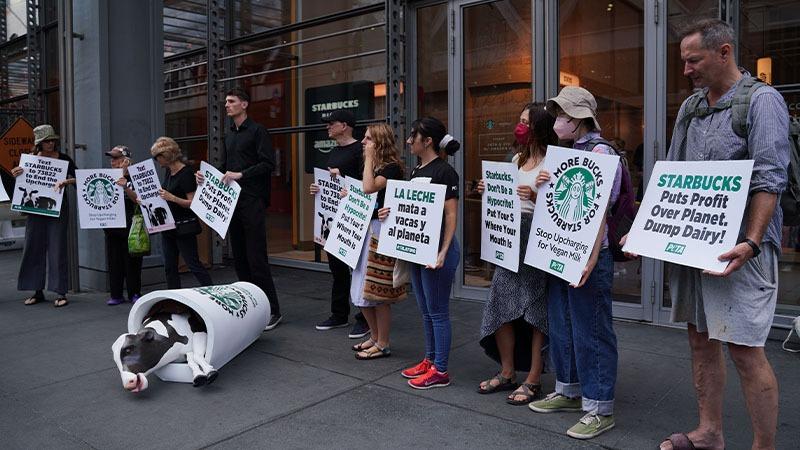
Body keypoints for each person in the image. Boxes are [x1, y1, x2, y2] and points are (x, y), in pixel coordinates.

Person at [624, 19, 788, 450]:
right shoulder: (692, 107)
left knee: (745, 350)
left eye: (693, 60)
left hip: (740, 252)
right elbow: (671, 178)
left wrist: (751, 243)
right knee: (700, 338)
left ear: (724, 52)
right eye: (683, 61)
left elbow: (770, 179)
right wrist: (643, 232)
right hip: (696, 246)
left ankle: (763, 446)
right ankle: (710, 433)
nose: (686, 70)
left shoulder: (762, 102)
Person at [527, 86, 622, 440]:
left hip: (587, 256)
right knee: (564, 322)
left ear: (579, 118)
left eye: (564, 115)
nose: (557, 121)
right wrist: (542, 186)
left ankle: (599, 407)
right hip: (566, 251)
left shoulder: (600, 152)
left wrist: (592, 255)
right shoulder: (567, 152)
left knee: (591, 328)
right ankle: (569, 389)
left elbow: (600, 209)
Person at [475, 103, 557, 405]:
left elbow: (559, 212)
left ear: (540, 126)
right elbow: (505, 201)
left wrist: (536, 196)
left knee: (535, 311)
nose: (520, 126)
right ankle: (507, 371)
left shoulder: (552, 161)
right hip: (509, 240)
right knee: (500, 305)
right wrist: (489, 190)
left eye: (526, 121)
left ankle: (534, 378)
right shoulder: (516, 159)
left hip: (534, 239)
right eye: (519, 120)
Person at [378, 116, 461, 389]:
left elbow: (451, 216)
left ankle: (441, 370)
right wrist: (389, 212)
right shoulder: (416, 171)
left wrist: (443, 252)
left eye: (414, 135)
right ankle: (430, 359)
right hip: (418, 249)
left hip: (437, 251)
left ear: (428, 141)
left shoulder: (444, 172)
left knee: (437, 312)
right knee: (426, 311)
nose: (409, 140)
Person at [196, 87, 282, 330]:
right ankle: (249, 307)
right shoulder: (229, 135)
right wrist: (207, 178)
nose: (226, 105)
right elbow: (224, 167)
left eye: (231, 101)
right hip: (232, 202)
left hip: (252, 199)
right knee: (240, 258)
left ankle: (273, 310)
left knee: (256, 257)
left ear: (244, 104)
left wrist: (241, 174)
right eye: (225, 102)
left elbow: (268, 164)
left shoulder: (258, 131)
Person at [309, 109, 369, 338]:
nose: (328, 127)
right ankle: (339, 314)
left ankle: (364, 318)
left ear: (344, 125)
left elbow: (366, 183)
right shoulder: (335, 151)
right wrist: (318, 188)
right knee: (337, 267)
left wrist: (343, 179)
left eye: (331, 123)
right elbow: (330, 182)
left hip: (354, 216)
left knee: (358, 268)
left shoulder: (360, 151)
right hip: (334, 216)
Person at [349, 123, 407, 360]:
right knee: (361, 288)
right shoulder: (376, 166)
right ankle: (374, 336)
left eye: (368, 139)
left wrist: (370, 159)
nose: (363, 142)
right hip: (368, 230)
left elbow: (368, 187)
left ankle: (383, 342)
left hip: (382, 234)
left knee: (379, 290)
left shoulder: (391, 168)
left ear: (380, 143)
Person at [13, 124, 76, 307]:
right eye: (46, 141)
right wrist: (16, 173)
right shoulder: (30, 160)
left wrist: (67, 181)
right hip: (35, 210)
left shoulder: (64, 159)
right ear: (39, 143)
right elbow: (19, 183)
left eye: (52, 141)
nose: (50, 144)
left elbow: (79, 177)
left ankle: (60, 292)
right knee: (33, 246)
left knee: (58, 248)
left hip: (57, 207)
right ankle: (37, 291)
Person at [152, 136, 212, 289]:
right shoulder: (168, 172)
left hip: (184, 227)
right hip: (169, 226)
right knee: (170, 267)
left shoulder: (185, 174)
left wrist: (172, 197)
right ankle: (174, 300)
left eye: (157, 157)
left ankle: (212, 292)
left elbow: (193, 203)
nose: (156, 160)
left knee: (193, 264)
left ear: (166, 156)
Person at [104, 146, 143, 305]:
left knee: (132, 259)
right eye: (112, 159)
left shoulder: (136, 177)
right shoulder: (106, 177)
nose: (113, 162)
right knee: (114, 260)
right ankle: (116, 293)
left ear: (126, 160)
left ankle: (134, 292)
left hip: (130, 223)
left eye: (117, 158)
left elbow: (138, 199)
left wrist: (125, 184)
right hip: (112, 224)